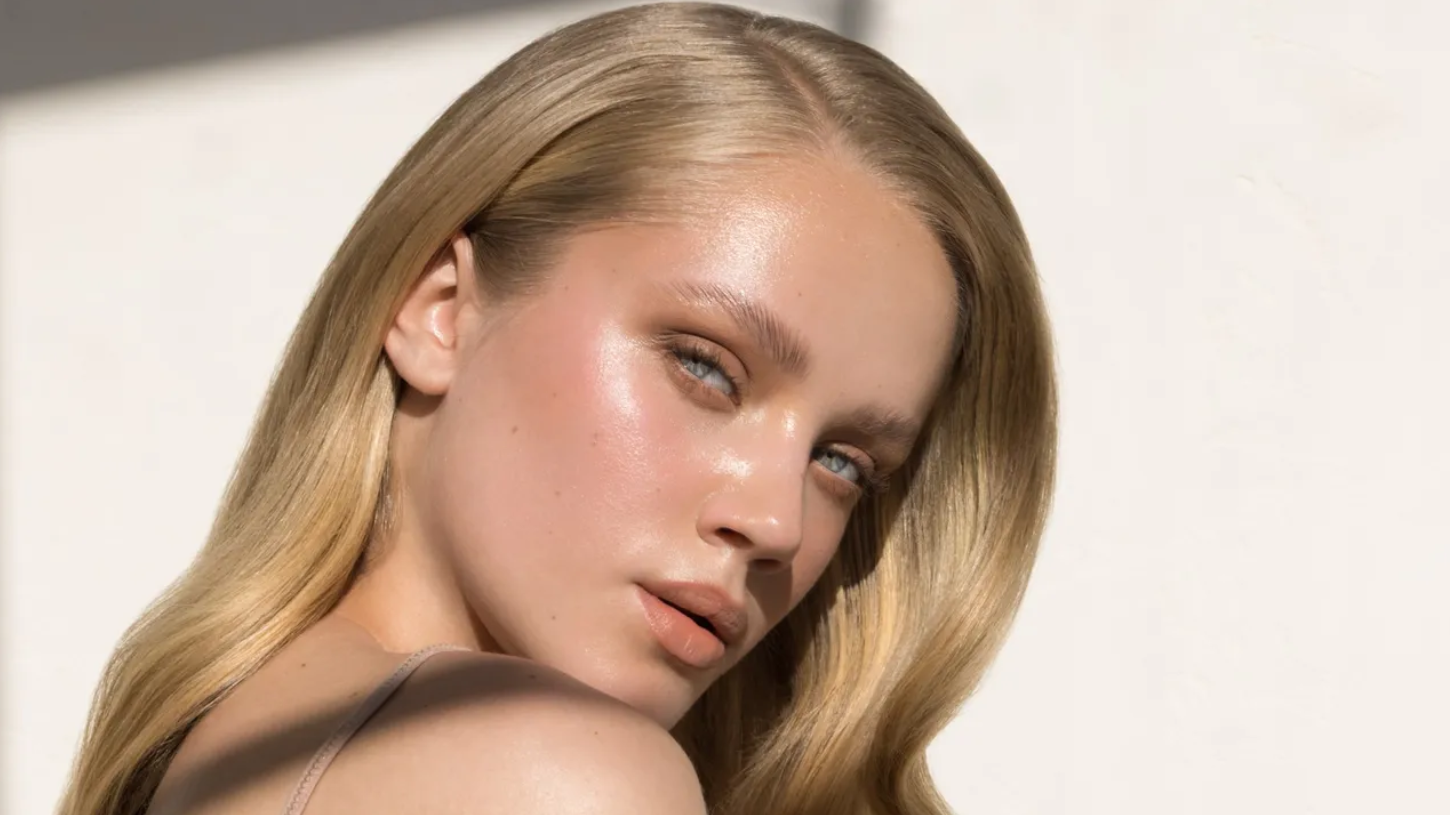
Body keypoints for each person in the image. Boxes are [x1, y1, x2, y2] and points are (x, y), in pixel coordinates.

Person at [59, 3, 1056, 814]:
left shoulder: (233, 742)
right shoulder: (556, 773)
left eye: (843, 461)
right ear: (440, 310)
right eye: (706, 369)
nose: (775, 522)